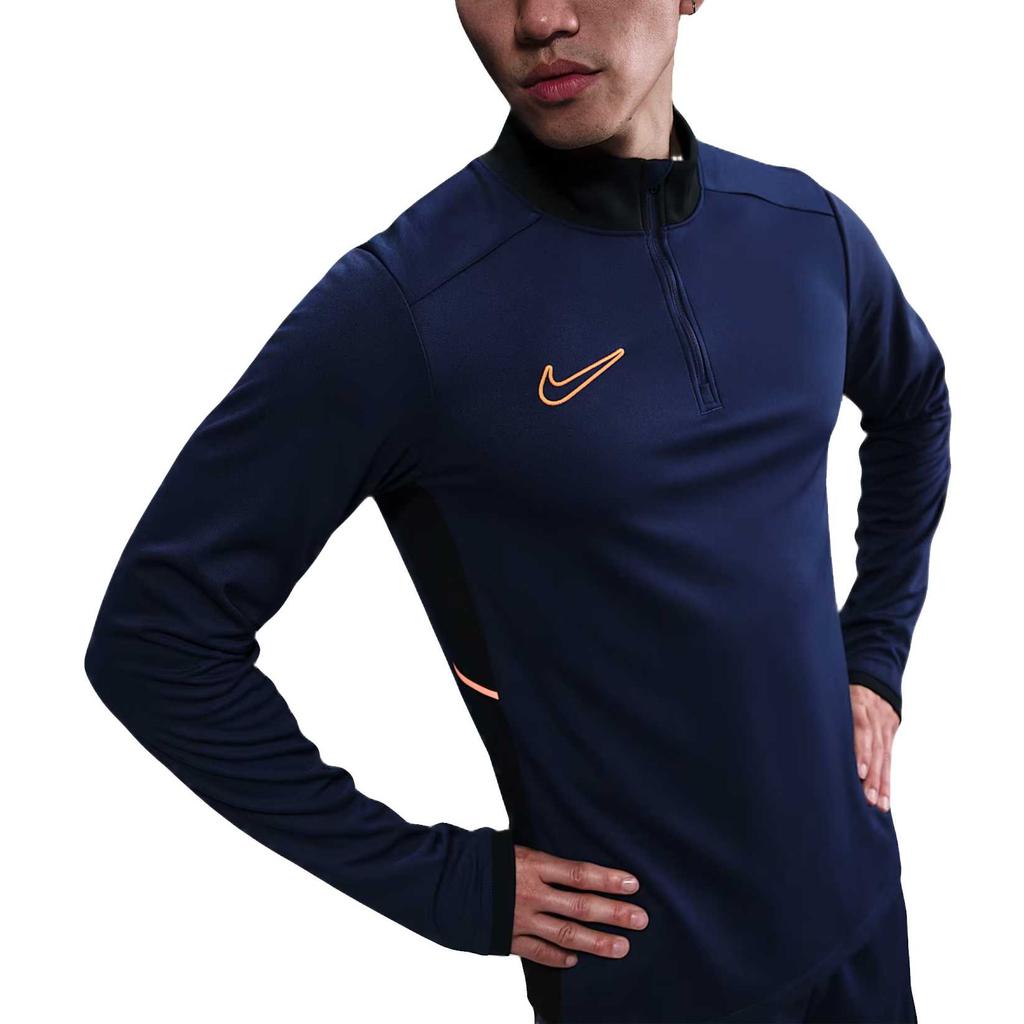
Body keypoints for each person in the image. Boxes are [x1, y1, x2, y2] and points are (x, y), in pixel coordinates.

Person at [84, 1, 950, 1021]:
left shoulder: (806, 231)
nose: (539, 17)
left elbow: (913, 405)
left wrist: (874, 655)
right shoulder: (410, 307)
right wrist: (450, 885)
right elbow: (155, 637)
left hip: (861, 928)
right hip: (649, 983)